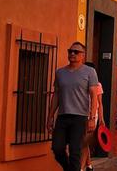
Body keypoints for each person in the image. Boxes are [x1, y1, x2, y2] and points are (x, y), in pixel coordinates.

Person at [47, 42, 99, 171]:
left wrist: (92, 118)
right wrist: (50, 116)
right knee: (57, 148)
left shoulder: (90, 72)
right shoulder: (60, 72)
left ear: (83, 55)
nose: (72, 54)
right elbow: (56, 95)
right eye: (70, 51)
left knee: (75, 150)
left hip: (80, 117)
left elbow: (94, 96)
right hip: (63, 116)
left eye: (76, 52)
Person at [80, 62, 104, 171]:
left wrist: (101, 118)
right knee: (83, 141)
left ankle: (81, 168)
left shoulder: (98, 85)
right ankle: (89, 165)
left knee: (84, 141)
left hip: (93, 115)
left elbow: (100, 103)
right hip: (81, 114)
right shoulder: (80, 83)